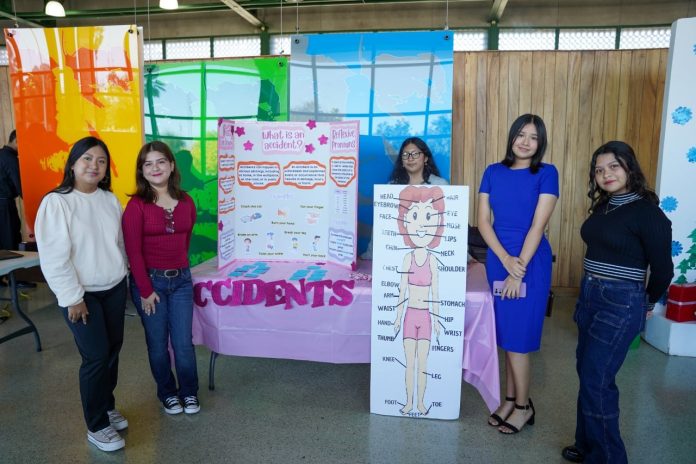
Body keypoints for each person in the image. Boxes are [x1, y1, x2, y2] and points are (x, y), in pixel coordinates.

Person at [561, 141, 672, 464]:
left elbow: (663, 270)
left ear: (629, 168)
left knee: (597, 380)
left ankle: (609, 458)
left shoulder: (648, 213)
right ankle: (586, 444)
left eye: (613, 166)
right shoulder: (605, 207)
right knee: (588, 373)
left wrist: (646, 303)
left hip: (620, 301)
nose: (605, 174)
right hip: (590, 295)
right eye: (599, 170)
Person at [35, 136, 129, 452]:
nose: (94, 166)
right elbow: (54, 258)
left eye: (101, 161)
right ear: (73, 163)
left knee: (112, 350)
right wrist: (72, 297)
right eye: (87, 158)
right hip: (82, 295)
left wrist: (125, 273)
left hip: (114, 288)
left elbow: (118, 244)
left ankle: (106, 405)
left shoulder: (109, 199)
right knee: (96, 356)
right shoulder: (57, 202)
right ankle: (97, 425)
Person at [478, 114, 558, 434]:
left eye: (534, 137)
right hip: (499, 259)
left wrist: (518, 269)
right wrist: (505, 260)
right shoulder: (492, 171)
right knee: (506, 335)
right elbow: (483, 221)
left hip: (530, 261)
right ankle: (510, 400)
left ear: (541, 143)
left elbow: (538, 225)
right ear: (512, 137)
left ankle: (524, 407)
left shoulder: (547, 173)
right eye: (521, 134)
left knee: (519, 338)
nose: (525, 142)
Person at [122, 141, 200, 416]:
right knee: (157, 345)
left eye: (161, 162)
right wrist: (145, 290)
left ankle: (189, 392)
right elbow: (133, 251)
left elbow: (185, 240)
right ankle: (167, 393)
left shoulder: (187, 201)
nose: (155, 168)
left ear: (171, 165)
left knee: (183, 343)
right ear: (141, 170)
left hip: (181, 282)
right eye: (148, 164)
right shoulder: (136, 206)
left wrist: (180, 269)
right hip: (150, 283)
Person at [392, 185, 445, 415]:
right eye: (414, 216)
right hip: (409, 315)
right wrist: (397, 318)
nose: (421, 225)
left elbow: (436, 294)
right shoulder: (407, 258)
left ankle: (421, 403)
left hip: (425, 318)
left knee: (422, 364)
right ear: (405, 221)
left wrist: (437, 319)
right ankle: (408, 402)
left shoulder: (433, 261)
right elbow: (402, 291)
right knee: (409, 364)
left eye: (428, 217)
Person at [0, 130, 21, 251]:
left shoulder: (1, 154)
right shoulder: (10, 159)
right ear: (17, 141)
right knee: (10, 243)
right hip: (5, 207)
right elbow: (20, 186)